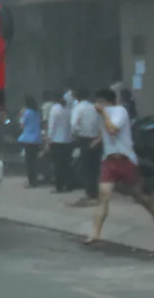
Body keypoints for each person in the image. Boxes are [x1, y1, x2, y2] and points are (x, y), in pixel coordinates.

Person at [86, 88, 154, 244]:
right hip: (109, 161)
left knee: (139, 196)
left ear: (107, 101)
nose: (98, 105)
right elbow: (103, 131)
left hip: (126, 160)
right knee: (104, 195)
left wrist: (103, 113)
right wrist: (97, 140)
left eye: (100, 101)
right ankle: (95, 233)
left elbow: (113, 130)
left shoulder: (120, 111)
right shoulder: (102, 115)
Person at [70, 88, 102, 205]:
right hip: (97, 139)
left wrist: (79, 133)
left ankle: (90, 193)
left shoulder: (78, 108)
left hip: (84, 140)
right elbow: (101, 124)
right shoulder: (94, 107)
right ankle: (96, 192)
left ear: (77, 97)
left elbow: (74, 125)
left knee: (86, 167)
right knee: (95, 168)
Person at [46, 91, 73, 192]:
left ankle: (59, 186)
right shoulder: (69, 110)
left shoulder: (55, 109)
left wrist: (49, 139)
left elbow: (52, 126)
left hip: (57, 141)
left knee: (58, 165)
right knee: (67, 164)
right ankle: (68, 185)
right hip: (68, 140)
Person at [19, 96, 44, 187]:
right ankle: (35, 180)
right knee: (34, 161)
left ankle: (31, 182)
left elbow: (22, 125)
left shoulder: (26, 112)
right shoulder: (37, 113)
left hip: (28, 139)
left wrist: (21, 115)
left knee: (29, 162)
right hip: (37, 139)